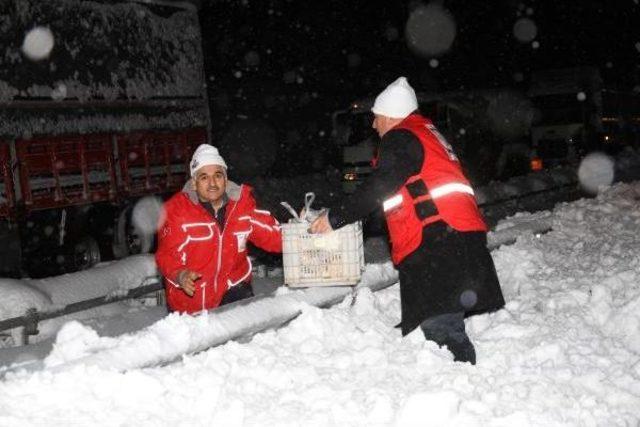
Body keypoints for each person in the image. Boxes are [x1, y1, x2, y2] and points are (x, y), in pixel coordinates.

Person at [310, 77, 505, 364]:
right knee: (438, 319)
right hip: (454, 233)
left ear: (390, 116)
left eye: (376, 119)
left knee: (442, 328)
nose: (374, 126)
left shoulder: (401, 137)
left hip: (440, 237)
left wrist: (335, 217)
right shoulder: (425, 132)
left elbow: (380, 186)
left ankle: (461, 381)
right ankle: (457, 376)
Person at [155, 144, 282, 314]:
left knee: (240, 331)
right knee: (198, 340)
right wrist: (180, 275)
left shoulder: (242, 207)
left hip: (233, 290)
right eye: (204, 177)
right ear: (194, 183)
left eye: (218, 175)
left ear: (226, 178)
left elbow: (275, 236)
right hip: (190, 302)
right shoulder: (175, 212)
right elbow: (167, 255)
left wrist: (306, 230)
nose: (213, 183)